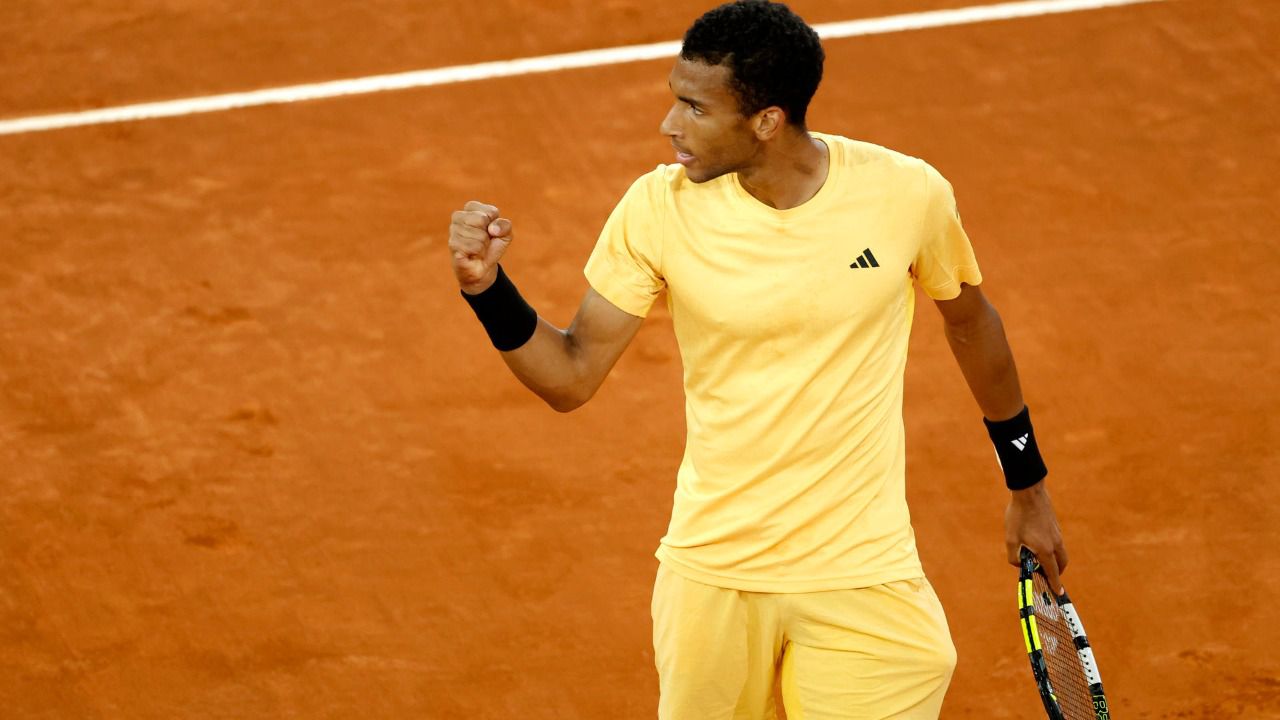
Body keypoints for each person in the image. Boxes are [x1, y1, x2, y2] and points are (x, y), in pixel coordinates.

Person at [447, 1, 1068, 717]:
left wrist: (1028, 486)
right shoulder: (658, 209)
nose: (669, 125)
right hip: (714, 570)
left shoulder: (905, 193)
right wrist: (487, 290)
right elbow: (570, 376)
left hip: (863, 569)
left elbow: (971, 324)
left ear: (767, 121)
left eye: (694, 108)